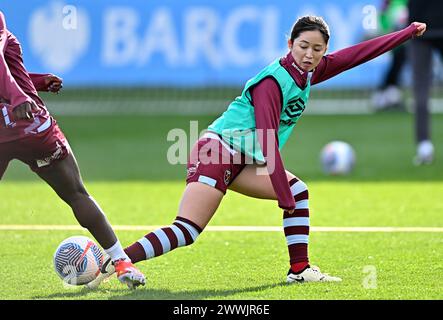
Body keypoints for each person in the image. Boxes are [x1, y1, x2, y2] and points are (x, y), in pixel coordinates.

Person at [89, 15, 426, 287]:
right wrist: (281, 191)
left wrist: (407, 33)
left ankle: (299, 269)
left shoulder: (310, 71)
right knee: (187, 230)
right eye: (303, 46)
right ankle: (117, 261)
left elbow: (356, 56)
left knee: (299, 192)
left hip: (242, 159)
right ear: (290, 44)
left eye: (318, 49)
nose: (310, 54)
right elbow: (266, 140)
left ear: (324, 51)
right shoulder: (272, 82)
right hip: (216, 152)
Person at [0, 11, 145, 289]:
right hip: (29, 121)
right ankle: (122, 263)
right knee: (77, 194)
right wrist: (20, 95)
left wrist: (36, 81)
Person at [408, 0, 443, 165]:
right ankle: (424, 147)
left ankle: (424, 147)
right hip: (422, 25)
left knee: (421, 88)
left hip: (419, 22)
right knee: (421, 90)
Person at [371, 0, 409, 111]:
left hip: (402, 37)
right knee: (396, 65)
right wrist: (386, 31)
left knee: (397, 65)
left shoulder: (398, 3)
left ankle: (389, 95)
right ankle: (387, 95)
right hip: (396, 37)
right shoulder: (393, 3)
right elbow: (384, 16)